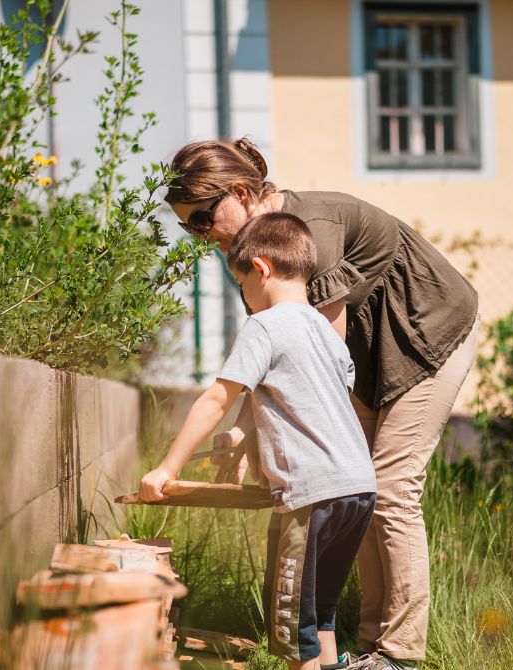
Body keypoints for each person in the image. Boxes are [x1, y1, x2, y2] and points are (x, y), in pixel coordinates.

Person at [163, 138, 480, 669]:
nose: (199, 236)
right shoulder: (253, 249)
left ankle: (399, 655)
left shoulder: (310, 231)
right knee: (358, 481)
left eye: (202, 219)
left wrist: (259, 437)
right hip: (364, 352)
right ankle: (371, 644)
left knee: (392, 485)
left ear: (241, 192)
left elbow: (314, 363)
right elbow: (271, 352)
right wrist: (243, 434)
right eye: (186, 226)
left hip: (427, 329)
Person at [140, 213, 378, 670]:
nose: (244, 294)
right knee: (319, 615)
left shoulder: (264, 325)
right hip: (358, 488)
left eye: (241, 282)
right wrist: (248, 441)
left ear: (262, 268)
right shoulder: (326, 334)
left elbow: (216, 399)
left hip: (312, 495)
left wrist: (166, 469)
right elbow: (307, 403)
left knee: (291, 630)